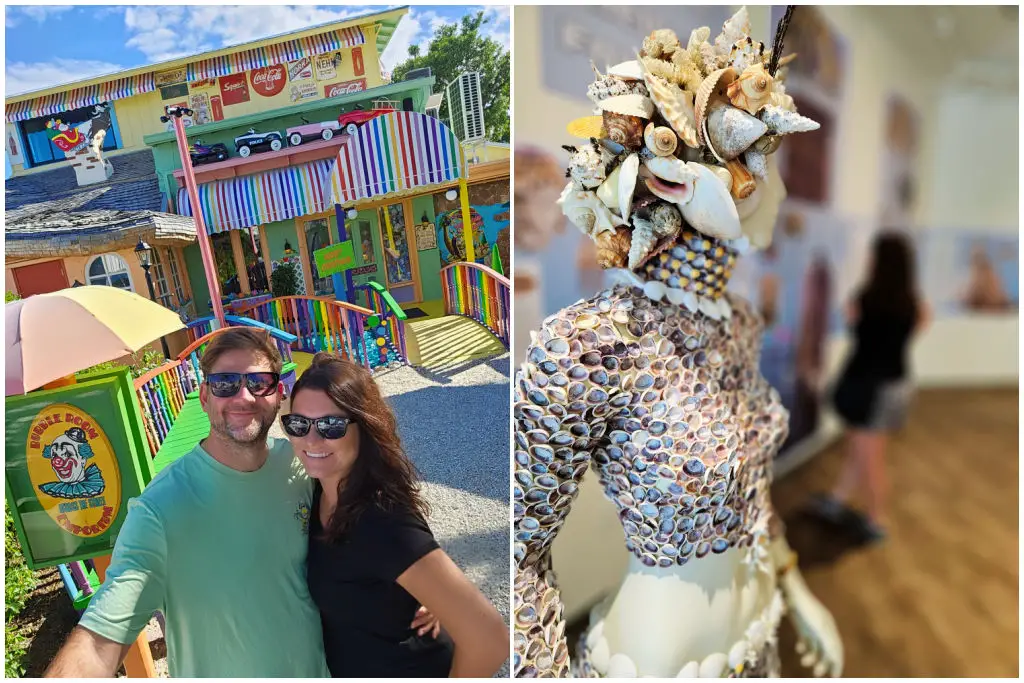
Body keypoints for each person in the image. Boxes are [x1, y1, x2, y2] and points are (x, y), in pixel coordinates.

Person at [44, 328, 435, 677]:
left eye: (259, 382)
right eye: (225, 383)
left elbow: (368, 510)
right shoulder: (160, 510)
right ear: (204, 396)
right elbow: (98, 641)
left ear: (278, 394)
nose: (243, 396)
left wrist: (415, 587)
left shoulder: (302, 466)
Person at [281, 353, 509, 678]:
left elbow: (490, 639)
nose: (311, 439)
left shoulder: (381, 520)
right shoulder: (318, 493)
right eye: (298, 424)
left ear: (366, 427)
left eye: (331, 425)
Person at [811, 232, 930, 541]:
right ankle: (837, 500)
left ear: (881, 261)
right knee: (861, 452)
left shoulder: (865, 297)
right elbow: (917, 328)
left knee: (869, 459)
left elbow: (853, 324)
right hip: (895, 385)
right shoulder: (914, 304)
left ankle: (877, 520)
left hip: (868, 387)